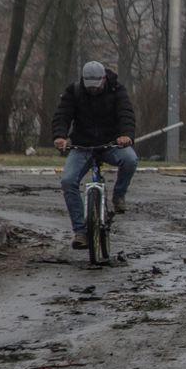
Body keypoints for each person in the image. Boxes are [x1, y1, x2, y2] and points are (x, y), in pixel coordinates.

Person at [52, 61, 137, 249]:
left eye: (96, 87)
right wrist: (60, 136)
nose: (93, 91)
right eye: (89, 87)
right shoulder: (74, 91)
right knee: (68, 181)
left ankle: (119, 196)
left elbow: (126, 113)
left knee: (130, 160)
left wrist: (126, 136)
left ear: (104, 79)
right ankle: (80, 231)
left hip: (111, 144)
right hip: (82, 146)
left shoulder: (116, 90)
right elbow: (62, 115)